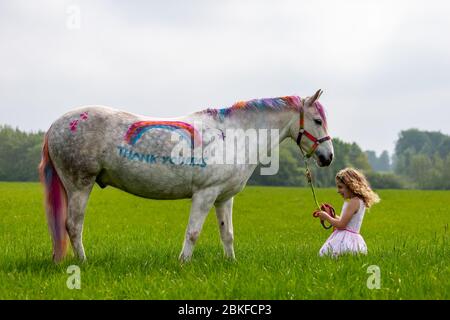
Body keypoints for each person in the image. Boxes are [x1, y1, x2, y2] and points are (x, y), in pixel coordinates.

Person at [317, 168, 380, 257]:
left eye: (340, 187)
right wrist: (332, 215)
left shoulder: (353, 202)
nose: (338, 191)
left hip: (345, 240)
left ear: (350, 185)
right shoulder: (359, 201)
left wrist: (327, 217)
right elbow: (347, 223)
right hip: (353, 240)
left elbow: (341, 225)